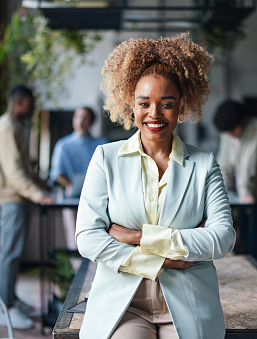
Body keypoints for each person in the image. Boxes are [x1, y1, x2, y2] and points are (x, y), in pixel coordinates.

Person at [75, 34, 236, 339]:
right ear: (130, 103)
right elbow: (87, 238)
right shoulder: (105, 159)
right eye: (144, 103)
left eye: (167, 104)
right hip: (125, 305)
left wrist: (137, 237)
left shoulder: (204, 165)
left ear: (181, 105)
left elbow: (223, 238)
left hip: (188, 301)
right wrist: (166, 259)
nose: (154, 114)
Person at [0, 84, 54, 329]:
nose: (33, 107)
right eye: (31, 102)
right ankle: (4, 309)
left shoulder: (14, 127)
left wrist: (44, 186)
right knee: (9, 255)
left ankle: (11, 299)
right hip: (11, 199)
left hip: (18, 199)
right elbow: (14, 173)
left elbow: (25, 169)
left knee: (13, 253)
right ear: (20, 102)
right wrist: (38, 194)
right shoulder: (6, 129)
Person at [213, 99, 257, 267]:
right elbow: (223, 164)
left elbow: (249, 164)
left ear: (242, 121)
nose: (231, 135)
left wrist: (246, 191)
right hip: (241, 198)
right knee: (244, 241)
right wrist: (220, 192)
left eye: (233, 130)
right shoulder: (227, 133)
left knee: (253, 246)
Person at [49, 106, 107, 250]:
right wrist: (71, 186)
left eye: (85, 117)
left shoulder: (100, 144)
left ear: (91, 121)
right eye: (77, 116)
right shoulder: (63, 145)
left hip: (96, 196)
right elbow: (57, 173)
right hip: (72, 196)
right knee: (74, 235)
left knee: (96, 233)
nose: (81, 121)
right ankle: (76, 269)